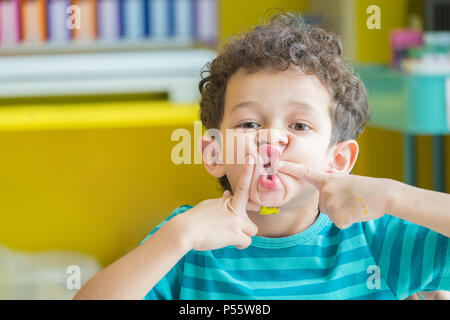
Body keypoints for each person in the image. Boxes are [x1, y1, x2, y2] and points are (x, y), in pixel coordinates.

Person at [73, 12, 449, 300]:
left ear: (338, 160)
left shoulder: (374, 239)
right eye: (249, 125)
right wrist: (179, 236)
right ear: (215, 152)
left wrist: (393, 196)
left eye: (299, 126)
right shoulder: (189, 240)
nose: (271, 138)